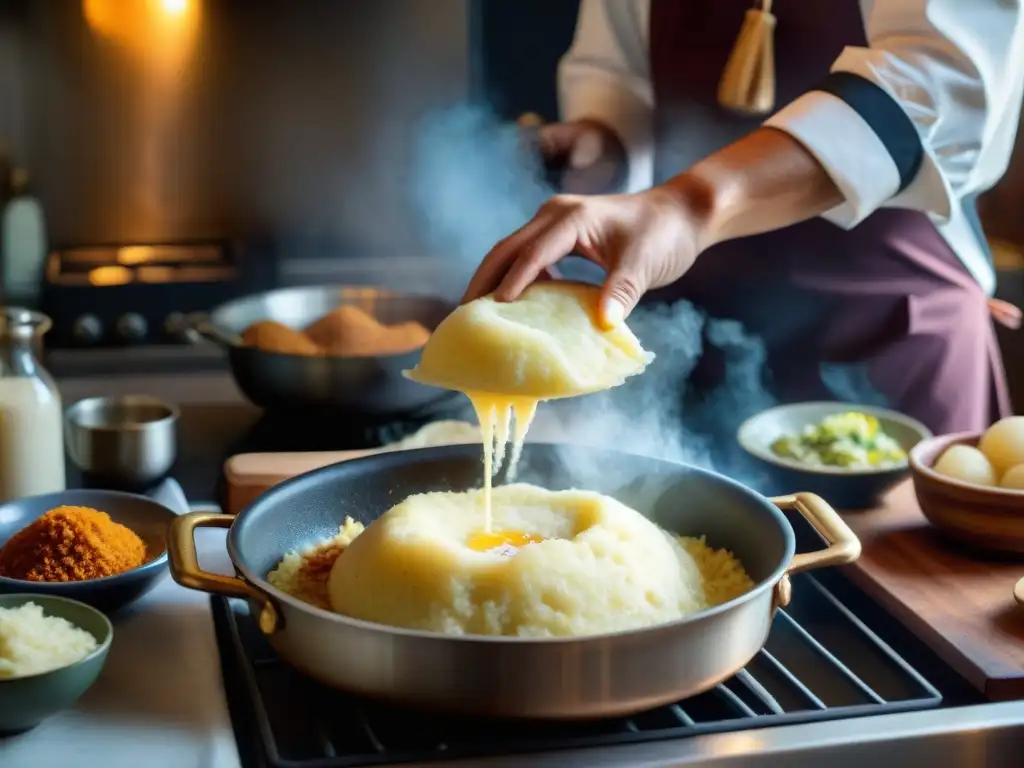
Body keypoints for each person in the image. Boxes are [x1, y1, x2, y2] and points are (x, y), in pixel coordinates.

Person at [463, 0, 1024, 434]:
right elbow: (617, 75)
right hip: (688, 339)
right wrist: (598, 147)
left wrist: (690, 205)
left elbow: (936, 80)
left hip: (886, 340)